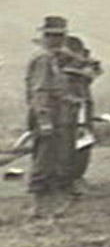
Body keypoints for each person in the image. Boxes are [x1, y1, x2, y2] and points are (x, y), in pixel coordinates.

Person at [26, 15, 75, 219]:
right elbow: (39, 91)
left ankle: (48, 207)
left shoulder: (51, 58)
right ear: (49, 37)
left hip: (56, 115)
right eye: (56, 36)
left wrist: (69, 99)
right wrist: (45, 120)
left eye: (61, 36)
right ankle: (38, 208)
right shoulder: (43, 59)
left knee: (54, 160)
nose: (60, 40)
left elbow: (54, 88)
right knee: (44, 161)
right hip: (46, 115)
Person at [59, 35, 102, 195]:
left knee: (83, 144)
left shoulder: (81, 72)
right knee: (68, 146)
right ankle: (68, 181)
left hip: (82, 107)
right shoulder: (59, 69)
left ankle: (76, 178)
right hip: (67, 110)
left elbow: (95, 71)